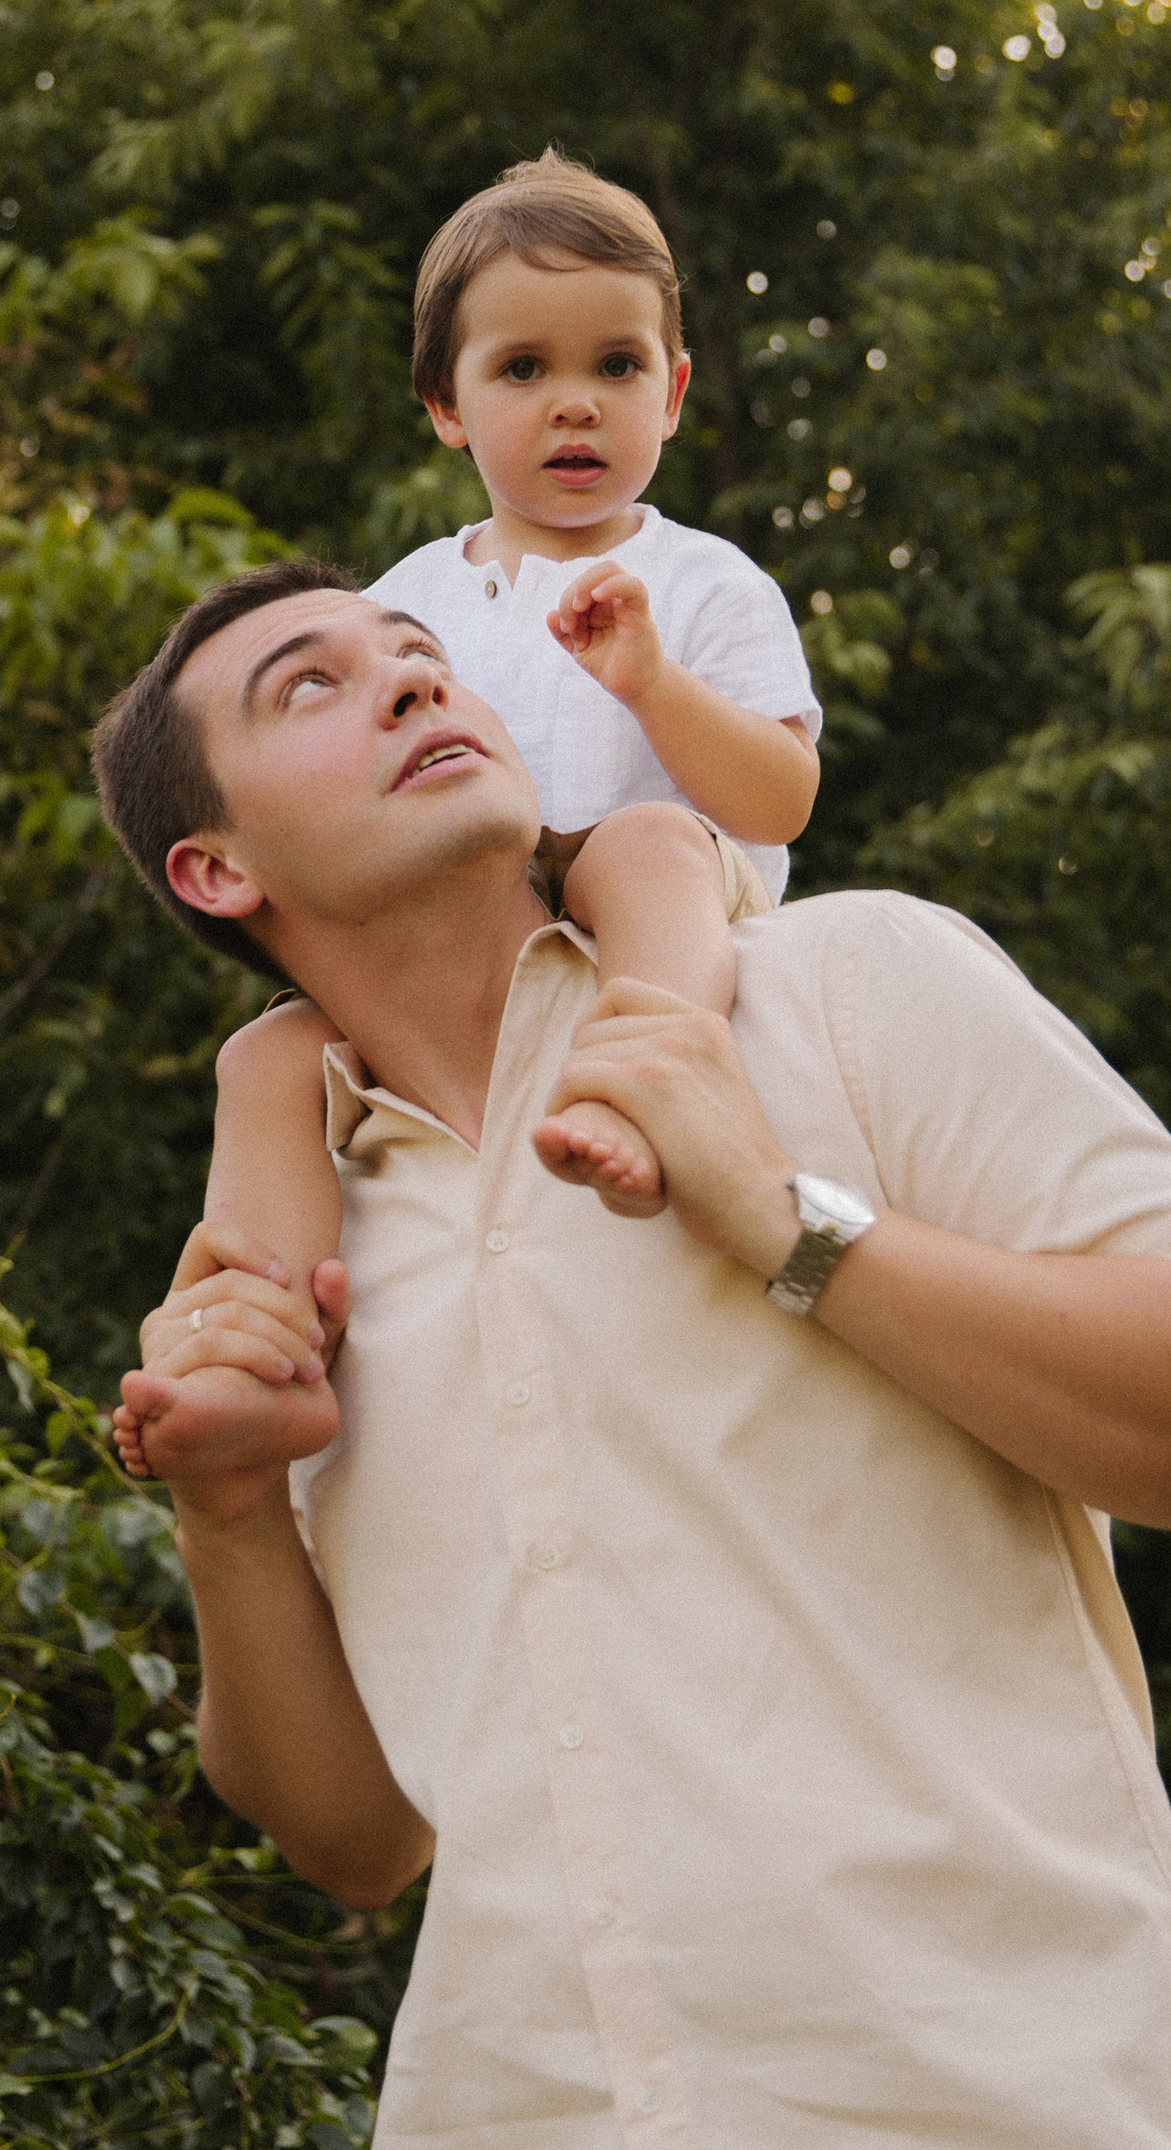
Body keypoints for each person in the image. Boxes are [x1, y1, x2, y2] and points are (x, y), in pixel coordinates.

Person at [92, 565, 1171, 2150]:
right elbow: (355, 1837)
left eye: (421, 652)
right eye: (313, 685)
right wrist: (226, 1510)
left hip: (1011, 2121)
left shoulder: (846, 988)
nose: (415, 682)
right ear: (214, 867)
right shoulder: (292, 1258)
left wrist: (785, 1222)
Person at [116, 154, 818, 1479]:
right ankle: (257, 1348)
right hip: (472, 937)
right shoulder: (407, 601)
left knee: (637, 843)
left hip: (665, 895)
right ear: (448, 405)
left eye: (618, 365)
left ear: (673, 392)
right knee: (267, 1057)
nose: (575, 403)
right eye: (522, 369)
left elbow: (781, 794)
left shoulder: (699, 580)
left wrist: (652, 684)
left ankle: (651, 1083)